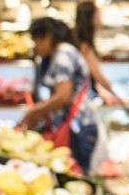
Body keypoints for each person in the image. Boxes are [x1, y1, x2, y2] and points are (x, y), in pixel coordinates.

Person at [20, 17, 97, 171]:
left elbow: (63, 97)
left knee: (76, 172)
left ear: (47, 37)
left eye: (36, 41)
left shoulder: (63, 54)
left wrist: (34, 112)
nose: (36, 47)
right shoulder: (63, 53)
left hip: (77, 128)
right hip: (78, 126)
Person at [74, 0, 123, 106]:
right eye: (98, 13)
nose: (100, 17)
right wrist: (116, 94)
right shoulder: (84, 44)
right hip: (81, 99)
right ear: (90, 17)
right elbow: (96, 74)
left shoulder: (81, 40)